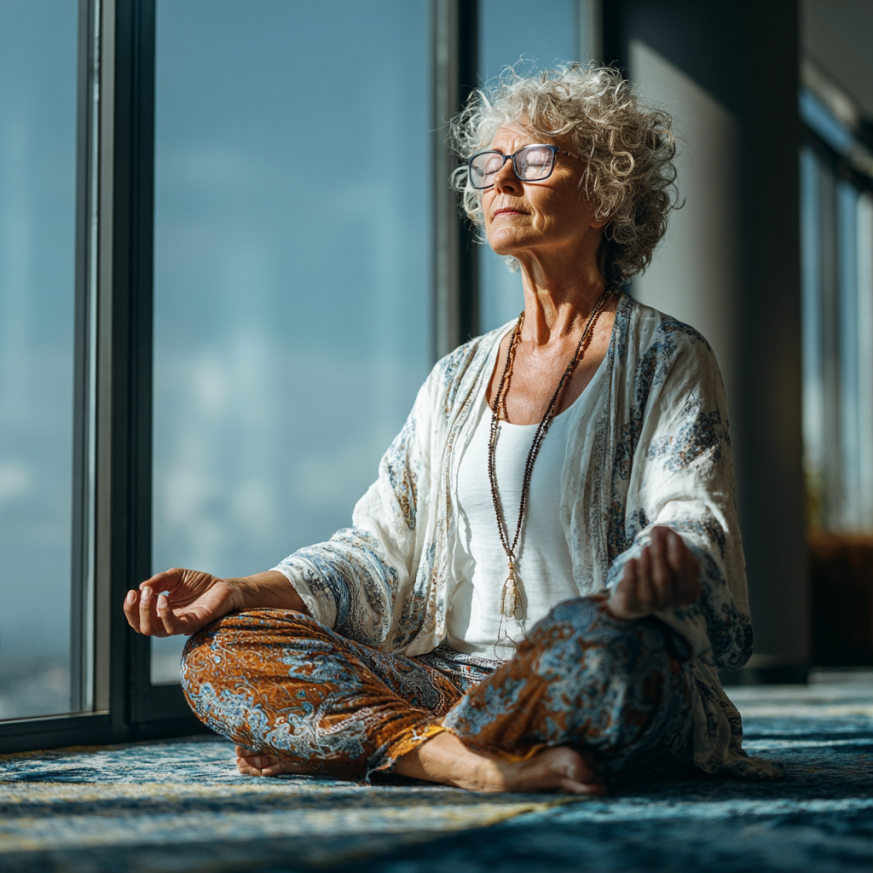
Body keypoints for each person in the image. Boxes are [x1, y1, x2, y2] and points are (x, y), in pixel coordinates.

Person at [124, 64, 781, 794]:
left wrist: (656, 569)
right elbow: (378, 553)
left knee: (603, 649)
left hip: (585, 667)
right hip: (445, 682)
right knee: (223, 651)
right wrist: (240, 590)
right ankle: (463, 760)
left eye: (533, 161)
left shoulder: (667, 356)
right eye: (488, 165)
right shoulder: (455, 379)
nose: (499, 182)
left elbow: (692, 516)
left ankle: (368, 742)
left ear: (605, 193)